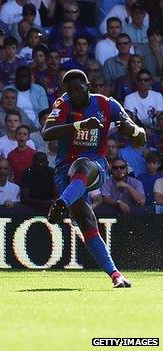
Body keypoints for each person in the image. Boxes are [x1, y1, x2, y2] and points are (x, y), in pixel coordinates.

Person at [43, 69, 145, 288]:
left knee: (83, 164)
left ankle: (61, 202)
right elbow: (46, 133)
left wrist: (134, 130)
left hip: (95, 166)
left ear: (88, 86)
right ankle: (116, 275)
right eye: (70, 91)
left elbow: (141, 138)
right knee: (87, 222)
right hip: (64, 171)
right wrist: (79, 125)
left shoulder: (108, 105)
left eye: (78, 90)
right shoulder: (63, 104)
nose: (75, 95)